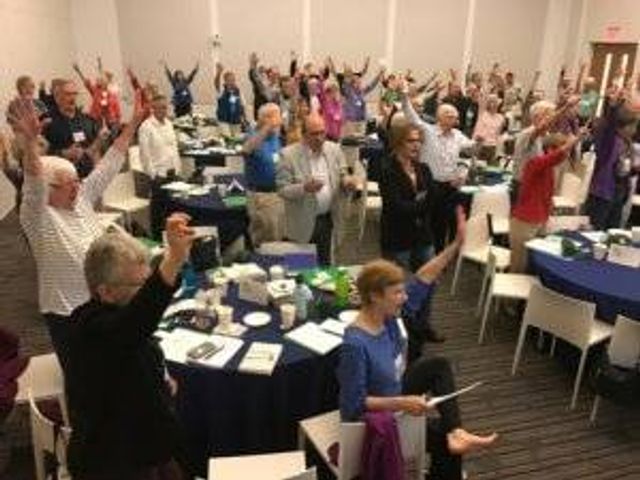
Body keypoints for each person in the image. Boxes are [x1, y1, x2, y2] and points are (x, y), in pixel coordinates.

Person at [338, 215, 497, 480]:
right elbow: (354, 404)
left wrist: (456, 244)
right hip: (375, 422)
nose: (405, 297)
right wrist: (402, 402)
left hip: (393, 390)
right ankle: (452, 441)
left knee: (439, 367)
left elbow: (425, 275)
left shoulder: (388, 316)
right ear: (376, 297)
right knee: (444, 442)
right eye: (397, 293)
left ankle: (457, 431)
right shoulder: (355, 344)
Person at [9, 92, 146, 359]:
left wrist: (134, 123)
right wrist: (28, 143)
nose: (77, 188)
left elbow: (109, 164)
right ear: (48, 190)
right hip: (69, 314)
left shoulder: (79, 198)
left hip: (103, 303)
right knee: (88, 378)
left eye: (77, 181)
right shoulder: (38, 216)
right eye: (68, 184)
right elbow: (34, 180)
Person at [63, 213, 194, 480]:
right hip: (116, 460)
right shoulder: (90, 328)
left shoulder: (117, 317)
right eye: (140, 285)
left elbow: (134, 342)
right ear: (105, 292)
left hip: (149, 444)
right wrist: (173, 260)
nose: (146, 290)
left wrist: (160, 381)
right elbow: (133, 324)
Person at [399, 80, 477, 252]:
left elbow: (470, 152)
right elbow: (410, 115)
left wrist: (476, 147)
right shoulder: (428, 131)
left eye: (456, 117)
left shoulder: (458, 135)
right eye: (451, 116)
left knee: (445, 222)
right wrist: (404, 96)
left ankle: (440, 255)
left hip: (450, 186)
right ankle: (425, 254)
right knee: (428, 222)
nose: (455, 119)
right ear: (440, 117)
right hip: (430, 185)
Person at [276, 114, 359, 265]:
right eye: (314, 134)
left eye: (322, 132)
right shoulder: (288, 155)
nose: (320, 138)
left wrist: (347, 182)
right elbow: (282, 189)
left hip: (328, 218)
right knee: (301, 267)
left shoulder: (334, 150)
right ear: (304, 135)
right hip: (302, 222)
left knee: (325, 265)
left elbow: (342, 173)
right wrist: (304, 188)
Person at [510, 132, 584, 273]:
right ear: (550, 148)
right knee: (518, 267)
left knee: (532, 265)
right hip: (525, 222)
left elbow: (546, 193)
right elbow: (557, 156)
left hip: (539, 220)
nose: (566, 155)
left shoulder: (549, 168)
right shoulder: (535, 163)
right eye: (563, 149)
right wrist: (575, 140)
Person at [379, 118, 434, 272]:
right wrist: (423, 204)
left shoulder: (423, 169)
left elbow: (433, 200)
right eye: (410, 141)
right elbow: (397, 207)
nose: (416, 145)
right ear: (398, 142)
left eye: (419, 141)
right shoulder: (388, 170)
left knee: (426, 285)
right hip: (397, 238)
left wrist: (416, 205)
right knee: (397, 287)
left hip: (423, 237)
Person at [585, 90, 640, 230]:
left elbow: (623, 171)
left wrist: (634, 170)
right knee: (596, 231)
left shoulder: (627, 143)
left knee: (612, 232)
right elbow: (608, 125)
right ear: (623, 126)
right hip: (602, 194)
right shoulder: (608, 142)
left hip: (618, 195)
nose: (635, 130)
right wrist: (614, 106)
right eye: (632, 126)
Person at [242, 102, 285, 246]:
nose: (280, 121)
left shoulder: (275, 136)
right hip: (261, 196)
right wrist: (267, 127)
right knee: (265, 240)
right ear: (266, 118)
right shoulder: (254, 134)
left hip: (277, 194)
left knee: (276, 236)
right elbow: (246, 150)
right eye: (277, 116)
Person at [41, 79, 102, 177]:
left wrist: (98, 173)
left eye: (74, 94)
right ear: (57, 97)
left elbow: (96, 152)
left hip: (88, 178)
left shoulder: (88, 121)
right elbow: (40, 155)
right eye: (68, 94)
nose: (72, 98)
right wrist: (64, 153)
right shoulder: (47, 122)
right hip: (61, 180)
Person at [72, 61, 122, 129]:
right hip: (96, 119)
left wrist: (118, 120)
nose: (97, 80)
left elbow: (117, 109)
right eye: (98, 79)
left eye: (101, 79)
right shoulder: (96, 90)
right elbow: (87, 84)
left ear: (107, 81)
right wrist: (78, 71)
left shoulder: (112, 93)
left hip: (110, 121)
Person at [214, 62, 245, 136]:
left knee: (236, 141)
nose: (232, 82)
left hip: (236, 121)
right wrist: (219, 73)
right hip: (224, 121)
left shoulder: (238, 91)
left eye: (233, 80)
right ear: (225, 81)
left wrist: (243, 118)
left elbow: (242, 105)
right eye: (229, 80)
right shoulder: (221, 90)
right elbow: (216, 83)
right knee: (227, 139)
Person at [473, 93, 505, 164]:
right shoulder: (483, 115)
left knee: (492, 167)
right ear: (488, 104)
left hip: (494, 147)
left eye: (495, 102)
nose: (493, 104)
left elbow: (499, 133)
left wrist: (499, 149)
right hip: (482, 146)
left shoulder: (501, 118)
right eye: (491, 102)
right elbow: (477, 132)